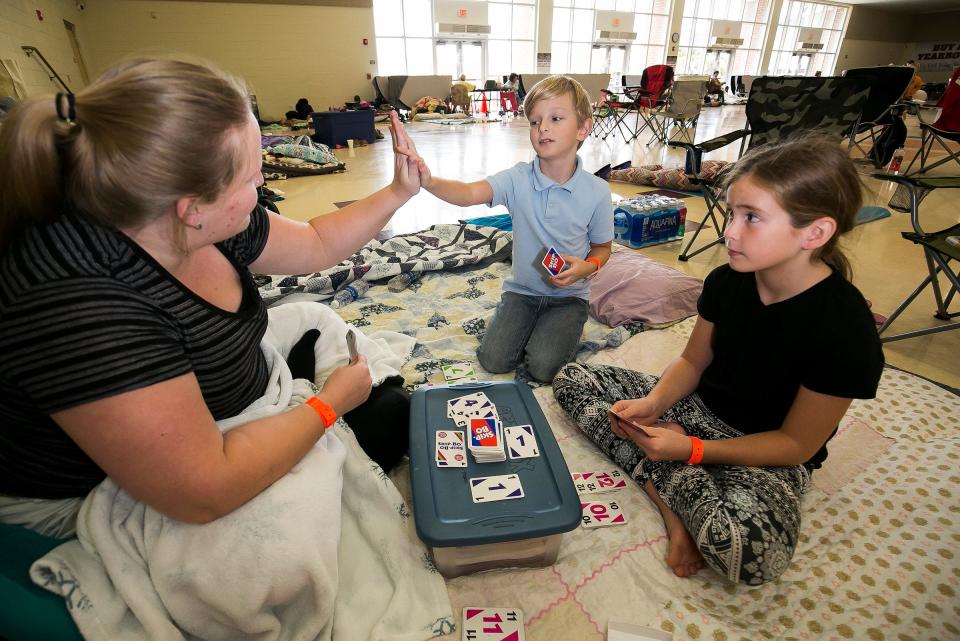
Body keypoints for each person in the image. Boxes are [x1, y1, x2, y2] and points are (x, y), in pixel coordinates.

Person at [0, 58, 423, 537]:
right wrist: (328, 406)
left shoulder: (175, 211)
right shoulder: (81, 304)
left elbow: (315, 244)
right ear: (191, 210)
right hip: (113, 493)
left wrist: (397, 192)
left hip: (213, 412)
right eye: (250, 178)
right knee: (294, 535)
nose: (261, 184)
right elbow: (205, 492)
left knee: (343, 357)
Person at [552, 136, 884, 585]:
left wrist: (689, 449)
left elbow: (796, 445)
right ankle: (674, 488)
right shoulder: (728, 281)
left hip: (765, 453)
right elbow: (692, 363)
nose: (729, 232)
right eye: (732, 213)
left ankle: (664, 481)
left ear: (815, 233)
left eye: (752, 218)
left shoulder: (846, 328)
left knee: (748, 553)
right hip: (694, 411)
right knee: (573, 379)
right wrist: (653, 404)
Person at [408, 75, 613, 382]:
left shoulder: (597, 191)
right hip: (522, 292)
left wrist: (587, 267)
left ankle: (555, 332)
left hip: (569, 298)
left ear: (583, 128)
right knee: (493, 360)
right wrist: (429, 181)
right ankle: (529, 328)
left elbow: (603, 248)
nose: (542, 127)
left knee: (544, 369)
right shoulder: (517, 179)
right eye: (534, 121)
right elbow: (468, 193)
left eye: (556, 118)